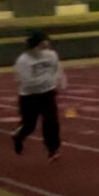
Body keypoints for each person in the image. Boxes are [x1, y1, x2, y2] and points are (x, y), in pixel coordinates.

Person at [12, 30, 67, 161]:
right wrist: (48, 80)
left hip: (48, 93)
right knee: (29, 125)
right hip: (29, 96)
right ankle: (18, 136)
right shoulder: (23, 60)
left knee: (51, 121)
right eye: (43, 41)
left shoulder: (51, 55)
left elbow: (57, 70)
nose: (46, 44)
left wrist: (57, 82)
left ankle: (53, 149)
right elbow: (27, 81)